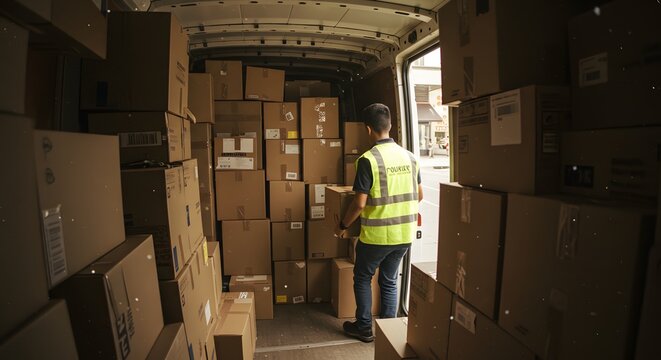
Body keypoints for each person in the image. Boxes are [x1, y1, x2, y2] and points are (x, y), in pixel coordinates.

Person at [335, 103, 423, 342]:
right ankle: (388, 329)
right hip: (404, 236)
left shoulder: (368, 160)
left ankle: (364, 328)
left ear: (367, 129)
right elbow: (420, 195)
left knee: (363, 277)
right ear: (390, 125)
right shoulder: (410, 158)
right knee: (390, 280)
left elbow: (360, 204)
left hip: (376, 237)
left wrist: (343, 225)